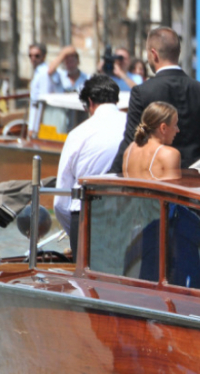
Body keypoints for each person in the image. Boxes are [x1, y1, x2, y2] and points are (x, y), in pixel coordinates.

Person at [109, 26, 200, 172]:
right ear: (178, 52)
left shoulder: (142, 92)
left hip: (161, 182)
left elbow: (132, 140)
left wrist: (110, 176)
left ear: (153, 54)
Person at [54, 74, 127, 256]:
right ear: (116, 99)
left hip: (86, 218)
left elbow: (60, 203)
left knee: (86, 283)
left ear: (89, 102)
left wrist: (74, 232)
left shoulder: (78, 134)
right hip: (127, 215)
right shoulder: (135, 128)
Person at [122, 101, 181, 180]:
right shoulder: (169, 154)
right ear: (163, 128)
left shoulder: (130, 149)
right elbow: (173, 189)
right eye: (175, 125)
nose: (177, 130)